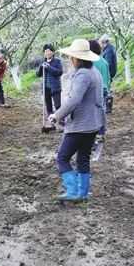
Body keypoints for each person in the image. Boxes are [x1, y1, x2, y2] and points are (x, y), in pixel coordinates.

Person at [49, 39, 106, 201]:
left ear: (77, 59)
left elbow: (74, 100)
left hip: (81, 125)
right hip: (93, 124)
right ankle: (82, 193)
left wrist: (57, 115)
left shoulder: (83, 74)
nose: (69, 59)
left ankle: (73, 192)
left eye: (71, 57)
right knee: (83, 158)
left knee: (62, 157)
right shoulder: (94, 71)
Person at [36, 43, 63, 129]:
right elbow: (38, 74)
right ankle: (52, 123)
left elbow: (59, 72)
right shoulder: (42, 61)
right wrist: (41, 66)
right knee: (49, 106)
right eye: (45, 52)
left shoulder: (57, 61)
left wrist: (49, 68)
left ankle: (60, 122)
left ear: (53, 52)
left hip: (55, 87)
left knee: (58, 106)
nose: (47, 53)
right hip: (46, 88)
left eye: (49, 51)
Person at [89, 39, 110, 144]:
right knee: (102, 110)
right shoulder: (104, 61)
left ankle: (93, 136)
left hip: (96, 90)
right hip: (105, 89)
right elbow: (109, 77)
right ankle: (101, 134)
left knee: (94, 113)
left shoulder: (92, 62)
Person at [99, 34, 117, 113]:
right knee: (108, 89)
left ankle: (108, 107)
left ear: (103, 42)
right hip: (111, 71)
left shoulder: (108, 50)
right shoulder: (110, 48)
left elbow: (108, 63)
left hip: (109, 72)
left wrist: (106, 75)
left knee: (107, 89)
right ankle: (108, 106)